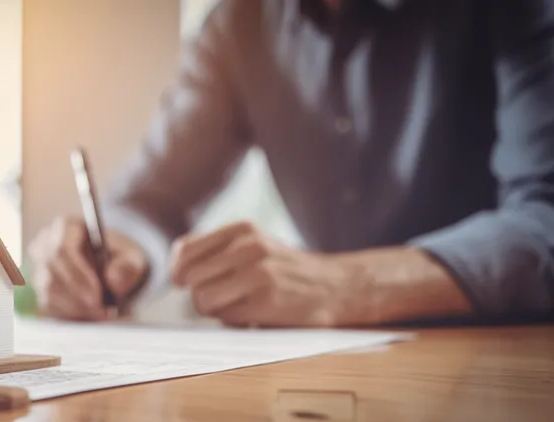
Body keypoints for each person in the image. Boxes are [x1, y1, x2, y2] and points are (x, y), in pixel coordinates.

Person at [28, 0, 554, 327]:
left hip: (507, 377)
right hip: (324, 376)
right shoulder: (238, 23)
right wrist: (118, 252)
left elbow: (545, 218)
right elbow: (153, 200)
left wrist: (345, 286)